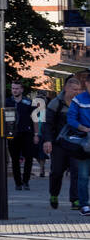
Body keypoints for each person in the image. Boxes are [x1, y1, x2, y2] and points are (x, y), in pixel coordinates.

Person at [43, 76, 82, 210]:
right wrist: (47, 140)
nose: (76, 92)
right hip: (59, 144)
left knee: (76, 171)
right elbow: (47, 124)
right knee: (57, 172)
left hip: (76, 144)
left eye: (78, 89)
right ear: (66, 88)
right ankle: (54, 194)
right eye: (73, 89)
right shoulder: (56, 103)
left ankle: (75, 200)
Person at [65, 80, 90, 216]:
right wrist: (84, 128)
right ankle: (84, 204)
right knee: (83, 175)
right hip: (84, 141)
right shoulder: (79, 100)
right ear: (86, 83)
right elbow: (71, 119)